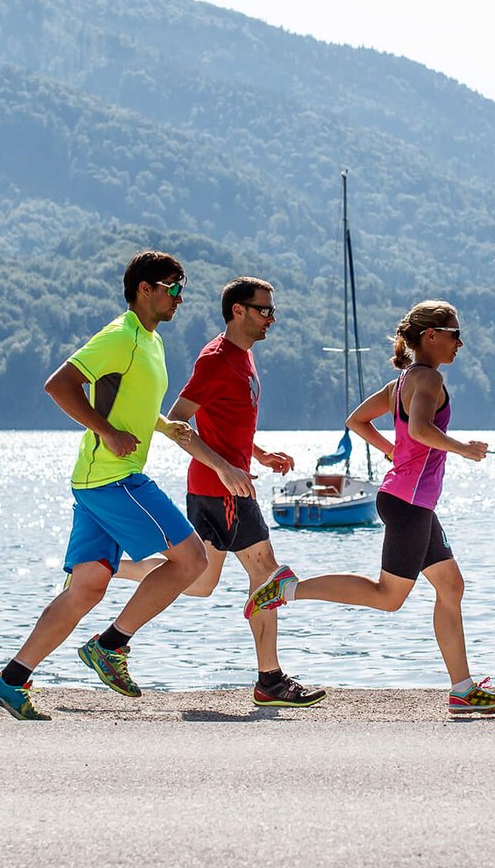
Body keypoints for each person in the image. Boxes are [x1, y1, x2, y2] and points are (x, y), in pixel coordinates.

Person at [0, 251, 254, 720]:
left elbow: (136, 407)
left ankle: (10, 679)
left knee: (86, 588)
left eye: (181, 287)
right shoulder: (120, 336)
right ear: (144, 288)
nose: (180, 297)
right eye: (172, 287)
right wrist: (106, 432)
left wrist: (168, 430)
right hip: (114, 478)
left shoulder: (150, 343)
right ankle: (111, 645)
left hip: (94, 482)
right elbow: (59, 384)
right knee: (192, 559)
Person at [245, 300, 495, 716]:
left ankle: (462, 690)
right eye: (454, 333)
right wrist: (461, 448)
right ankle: (288, 588)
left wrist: (395, 450)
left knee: (450, 586)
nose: (460, 342)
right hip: (408, 503)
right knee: (388, 597)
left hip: (408, 499)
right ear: (431, 335)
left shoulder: (403, 381)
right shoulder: (427, 381)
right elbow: (422, 429)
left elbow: (356, 420)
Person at [113, 276, 327, 707]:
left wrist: (259, 454)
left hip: (224, 482)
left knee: (199, 582)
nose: (272, 318)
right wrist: (227, 468)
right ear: (238, 311)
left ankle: (103, 567)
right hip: (222, 488)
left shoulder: (243, 358)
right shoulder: (216, 359)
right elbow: (179, 425)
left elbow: (226, 424)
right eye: (264, 309)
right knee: (265, 574)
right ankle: (270, 680)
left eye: (272, 309)